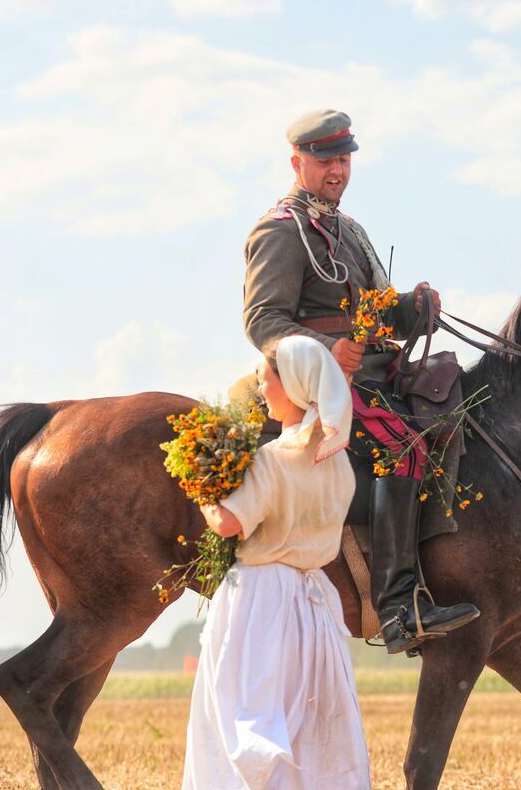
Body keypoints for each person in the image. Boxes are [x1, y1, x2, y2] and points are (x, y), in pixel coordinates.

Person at [240, 109, 478, 654]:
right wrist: (328, 351)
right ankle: (398, 609)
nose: (337, 170)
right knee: (403, 450)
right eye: (325, 160)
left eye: (344, 160)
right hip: (310, 380)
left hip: (370, 371)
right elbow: (262, 321)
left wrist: (412, 309)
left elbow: (373, 312)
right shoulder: (279, 231)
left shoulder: (351, 231)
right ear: (297, 162)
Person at [182, 336, 371, 790]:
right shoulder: (338, 464)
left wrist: (204, 492)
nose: (260, 389)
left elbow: (228, 524)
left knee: (240, 717)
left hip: (260, 606)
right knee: (309, 725)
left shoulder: (271, 460)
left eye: (265, 379)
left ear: (293, 386)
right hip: (313, 610)